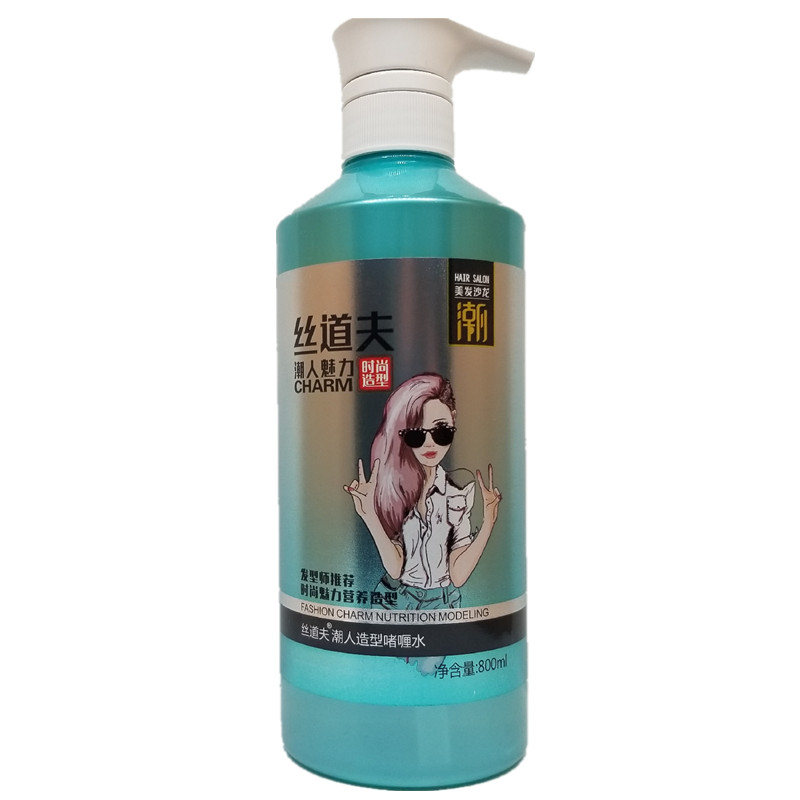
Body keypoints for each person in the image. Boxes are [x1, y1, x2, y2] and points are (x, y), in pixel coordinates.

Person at [344, 373, 501, 672]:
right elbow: (396, 569)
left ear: (453, 422)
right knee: (387, 672)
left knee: (428, 670)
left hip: (442, 603)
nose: (430, 443)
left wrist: (489, 521)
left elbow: (458, 575)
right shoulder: (395, 493)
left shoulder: (456, 496)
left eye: (441, 432)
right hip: (397, 601)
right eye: (417, 435)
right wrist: (369, 516)